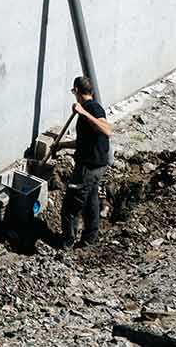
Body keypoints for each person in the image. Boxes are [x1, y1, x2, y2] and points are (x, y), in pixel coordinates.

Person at [54, 75, 111, 247]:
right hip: (96, 165)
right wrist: (62, 145)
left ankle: (67, 244)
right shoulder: (90, 109)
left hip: (88, 167)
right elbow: (84, 141)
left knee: (70, 207)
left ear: (77, 91)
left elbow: (107, 131)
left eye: (73, 92)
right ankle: (89, 240)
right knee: (91, 202)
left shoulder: (93, 108)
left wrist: (83, 112)